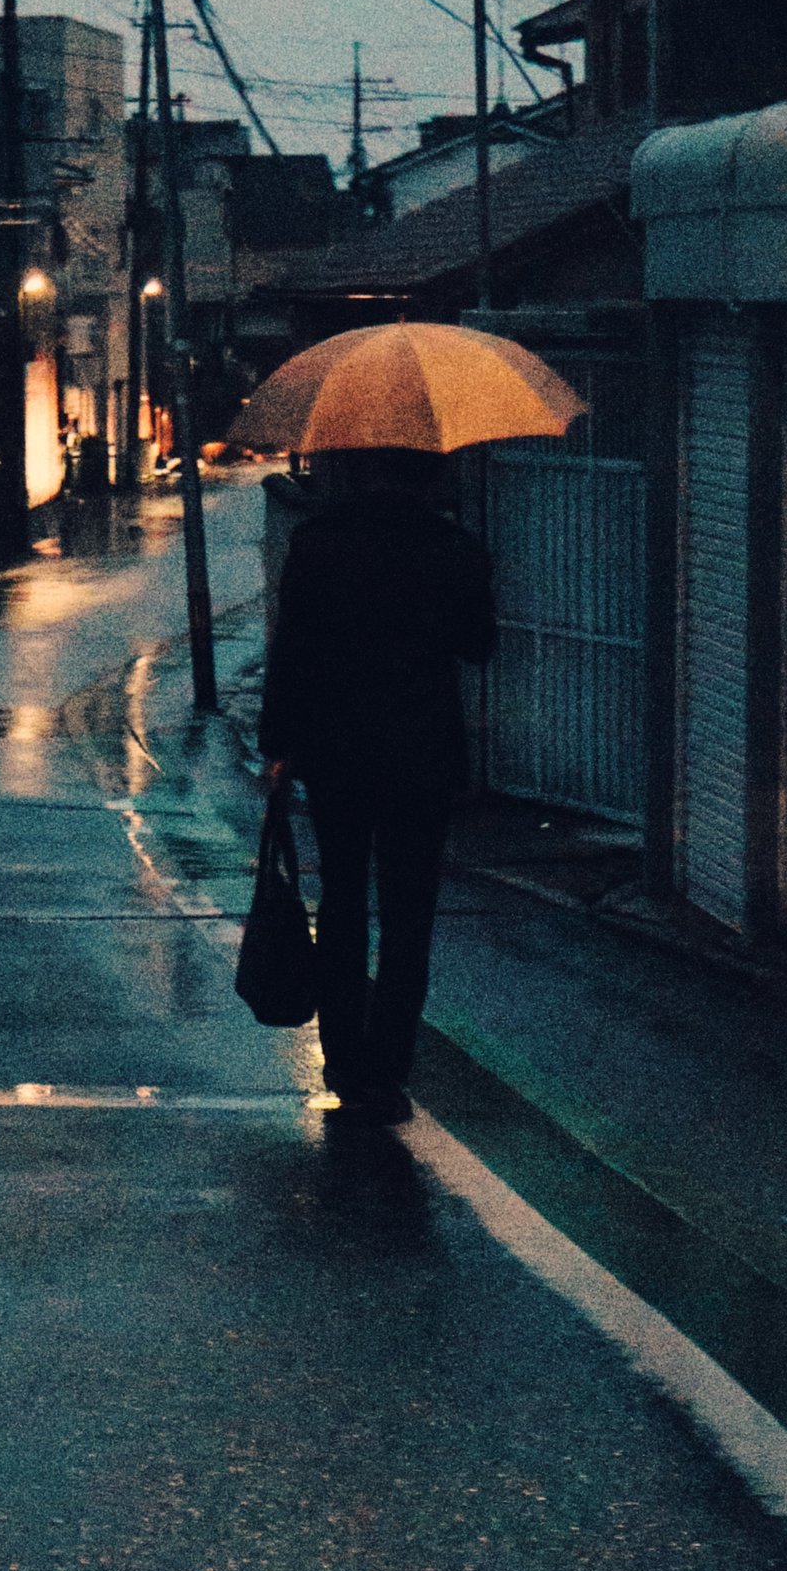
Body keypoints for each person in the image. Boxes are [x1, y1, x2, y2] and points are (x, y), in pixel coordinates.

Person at [256, 446, 496, 1127]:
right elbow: (479, 645)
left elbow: (292, 647)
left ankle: (344, 1062)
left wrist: (279, 742)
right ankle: (387, 1069)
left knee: (341, 902)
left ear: (369, 469)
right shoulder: (454, 547)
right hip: (421, 755)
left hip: (337, 752)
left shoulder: (319, 541)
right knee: (408, 914)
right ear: (432, 474)